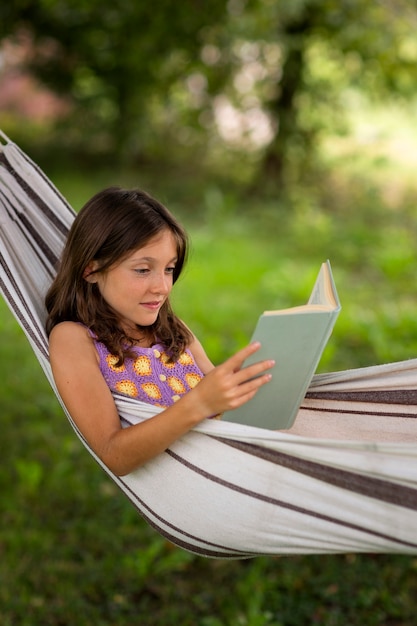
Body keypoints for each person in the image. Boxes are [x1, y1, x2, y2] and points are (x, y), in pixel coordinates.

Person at [45, 187, 275, 476]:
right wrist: (201, 402)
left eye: (169, 269)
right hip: (194, 479)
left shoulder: (173, 330)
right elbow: (112, 454)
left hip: (237, 461)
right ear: (90, 270)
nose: (162, 287)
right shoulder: (73, 339)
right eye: (143, 270)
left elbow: (222, 407)